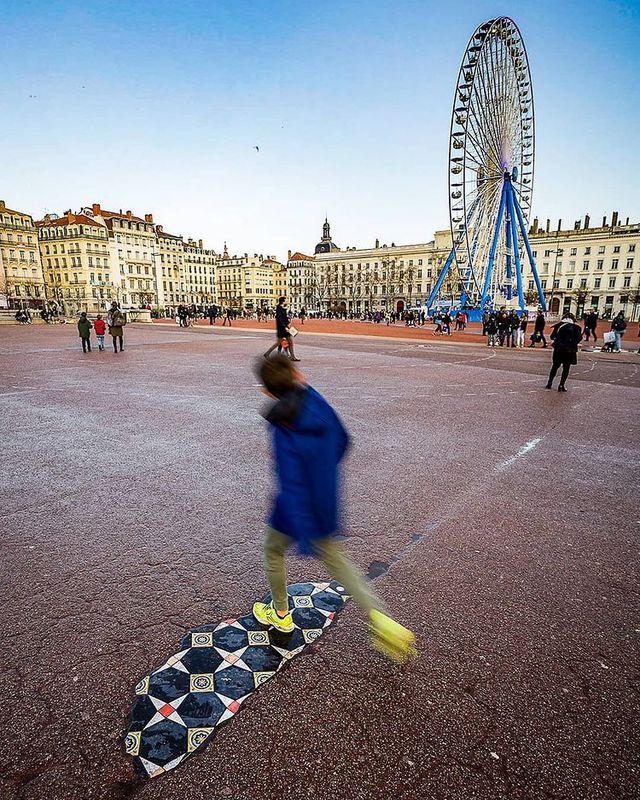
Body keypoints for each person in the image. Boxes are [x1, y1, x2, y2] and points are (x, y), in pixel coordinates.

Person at [252, 355, 416, 662]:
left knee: (272, 551)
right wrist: (323, 471)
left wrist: (303, 532)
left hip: (295, 511)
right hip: (325, 500)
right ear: (297, 375)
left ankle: (282, 614)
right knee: (341, 564)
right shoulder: (316, 400)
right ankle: (381, 617)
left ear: (267, 391)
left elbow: (290, 482)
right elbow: (342, 439)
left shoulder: (282, 427)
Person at [546, 312, 582, 392]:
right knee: (566, 368)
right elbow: (579, 338)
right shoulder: (576, 327)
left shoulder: (559, 325)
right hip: (569, 350)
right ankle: (561, 385)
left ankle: (549, 382)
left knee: (555, 366)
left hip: (558, 349)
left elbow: (552, 337)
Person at [264, 296, 300, 361]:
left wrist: (288, 322)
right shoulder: (279, 309)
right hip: (282, 329)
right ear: (283, 301)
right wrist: (285, 327)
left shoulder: (283, 308)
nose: (287, 301)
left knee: (290, 342)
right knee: (278, 343)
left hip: (285, 328)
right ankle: (267, 353)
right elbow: (280, 319)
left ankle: (293, 356)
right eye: (286, 300)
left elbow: (284, 318)